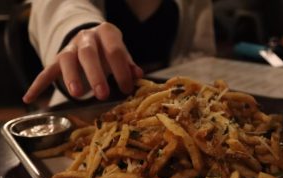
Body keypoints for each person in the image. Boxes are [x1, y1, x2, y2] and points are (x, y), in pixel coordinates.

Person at [22, 0, 216, 106]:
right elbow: (62, 7)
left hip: (171, 107)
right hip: (90, 111)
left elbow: (200, 53)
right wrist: (80, 31)